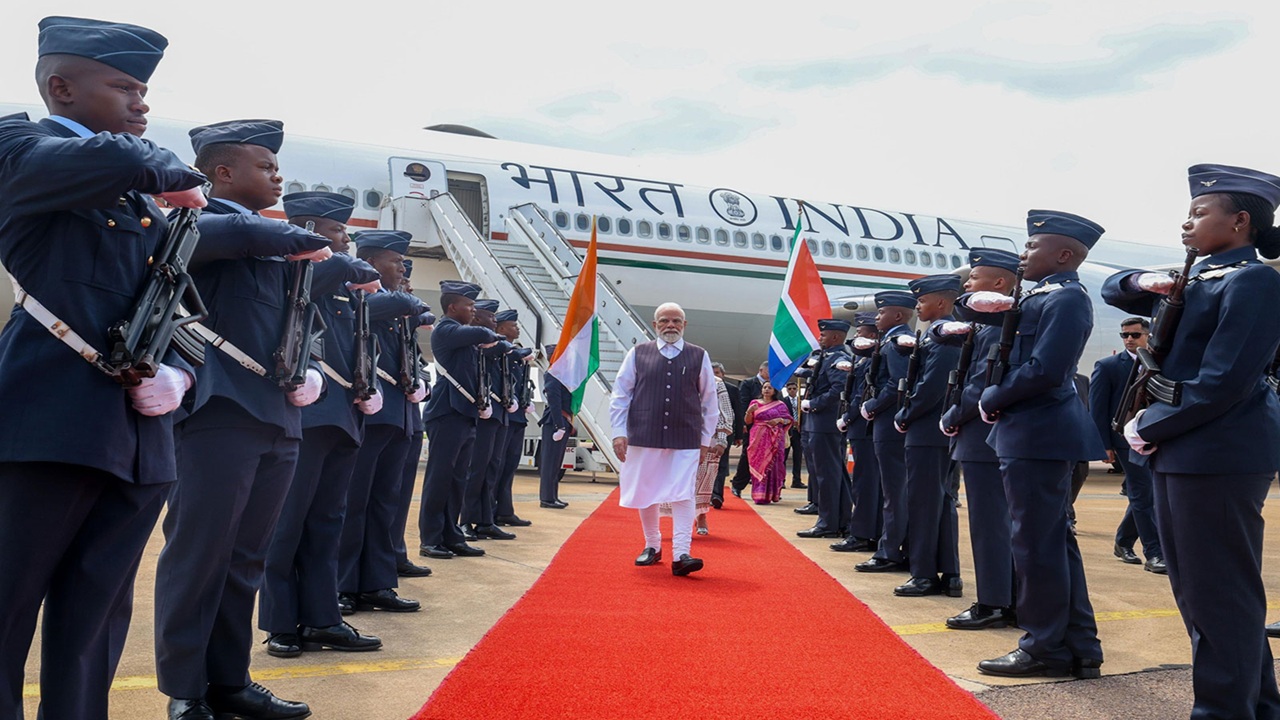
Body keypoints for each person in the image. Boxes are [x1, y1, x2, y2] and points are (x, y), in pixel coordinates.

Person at [0, 17, 208, 720]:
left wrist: (178, 371)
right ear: (60, 87)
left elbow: (177, 304)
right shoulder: (20, 146)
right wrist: (170, 169)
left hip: (137, 438)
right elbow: (118, 159)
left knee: (95, 624)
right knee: (5, 608)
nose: (142, 103)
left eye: (145, 91)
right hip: (48, 421)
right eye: (125, 86)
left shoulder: (138, 197)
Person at [155, 118, 332, 720]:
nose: (279, 175)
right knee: (199, 553)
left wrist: (308, 367)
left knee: (246, 557)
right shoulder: (199, 224)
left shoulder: (278, 244)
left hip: (279, 418)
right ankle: (186, 689)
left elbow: (307, 321)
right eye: (267, 165)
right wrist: (286, 237)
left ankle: (229, 681)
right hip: (218, 413)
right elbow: (208, 237)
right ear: (222, 172)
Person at [1103, 164, 1280, 719]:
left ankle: (1225, 710)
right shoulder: (1197, 278)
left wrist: (1148, 424)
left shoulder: (1253, 280)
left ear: (1241, 221)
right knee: (1204, 591)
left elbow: (1224, 381)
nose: (1187, 223)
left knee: (1218, 592)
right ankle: (1257, 705)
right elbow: (1113, 288)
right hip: (1188, 448)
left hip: (1219, 449)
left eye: (1201, 213)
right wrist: (1141, 283)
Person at [957, 209, 1105, 680]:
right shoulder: (1038, 295)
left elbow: (1046, 369)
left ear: (1064, 255)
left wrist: (990, 397)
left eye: (1032, 248)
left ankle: (1044, 646)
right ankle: (1079, 645)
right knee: (1052, 542)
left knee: (1036, 545)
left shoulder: (1067, 299)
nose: (1022, 255)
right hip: (1030, 429)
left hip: (1039, 430)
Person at [259, 192, 386, 659]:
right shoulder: (296, 267)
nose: (346, 239)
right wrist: (348, 264)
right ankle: (280, 622)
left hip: (343, 419)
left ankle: (321, 616)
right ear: (311, 229)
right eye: (337, 231)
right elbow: (312, 282)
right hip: (309, 418)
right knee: (286, 525)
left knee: (327, 524)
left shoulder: (339, 288)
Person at [336, 231, 429, 615]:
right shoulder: (359, 299)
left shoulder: (392, 309)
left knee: (383, 505)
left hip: (398, 418)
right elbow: (412, 305)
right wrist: (406, 301)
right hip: (370, 417)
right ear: (372, 264)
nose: (403, 269)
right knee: (352, 505)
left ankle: (376, 582)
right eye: (396, 262)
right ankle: (343, 584)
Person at [936, 249, 1021, 629]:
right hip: (981, 435)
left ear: (999, 283)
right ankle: (1007, 596)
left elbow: (981, 385)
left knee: (990, 525)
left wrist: (954, 416)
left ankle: (994, 602)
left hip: (982, 435)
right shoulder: (986, 327)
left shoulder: (998, 327)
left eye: (974, 278)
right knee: (995, 523)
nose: (967, 285)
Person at [610, 303, 721, 576]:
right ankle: (652, 545)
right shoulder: (637, 354)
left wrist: (706, 438)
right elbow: (621, 395)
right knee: (646, 491)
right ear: (654, 323)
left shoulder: (699, 355)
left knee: (684, 492)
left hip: (686, 436)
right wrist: (618, 432)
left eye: (676, 321)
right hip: (644, 434)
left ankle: (682, 552)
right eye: (664, 321)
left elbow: (709, 400)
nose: (670, 325)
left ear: (684, 325)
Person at [418, 281, 505, 559]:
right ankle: (430, 538)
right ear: (453, 307)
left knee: (456, 480)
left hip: (463, 414)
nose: (473, 311)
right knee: (439, 479)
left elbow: (494, 345)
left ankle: (451, 535)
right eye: (469, 306)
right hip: (446, 413)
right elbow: (482, 331)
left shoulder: (463, 335)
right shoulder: (447, 330)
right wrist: (488, 333)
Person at [892, 275, 964, 598]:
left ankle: (923, 574)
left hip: (925, 431)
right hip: (936, 432)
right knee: (942, 502)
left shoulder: (942, 338)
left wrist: (905, 415)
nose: (917, 306)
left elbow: (933, 387)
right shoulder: (938, 335)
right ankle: (949, 573)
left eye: (922, 300)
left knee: (923, 503)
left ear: (941, 303)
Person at [1088, 317, 1165, 573]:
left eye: (1134, 334)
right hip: (1124, 441)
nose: (1129, 339)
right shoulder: (1108, 366)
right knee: (1144, 494)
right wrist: (1104, 445)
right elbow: (1097, 409)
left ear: (1148, 336)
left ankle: (1123, 541)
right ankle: (1155, 553)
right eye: (1124, 335)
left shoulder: (1160, 364)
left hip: (1155, 436)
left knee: (1146, 493)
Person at [854, 291, 917, 573]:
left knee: (894, 492)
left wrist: (872, 406)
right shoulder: (890, 342)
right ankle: (888, 545)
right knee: (891, 491)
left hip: (889, 423)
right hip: (886, 422)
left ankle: (890, 551)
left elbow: (899, 383)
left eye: (882, 312)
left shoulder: (895, 344)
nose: (877, 317)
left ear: (899, 316)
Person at [796, 320, 853, 538]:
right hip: (818, 423)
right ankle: (838, 521)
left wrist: (816, 403)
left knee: (828, 475)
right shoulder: (825, 357)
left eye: (823, 335)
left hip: (826, 423)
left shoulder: (839, 359)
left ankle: (829, 523)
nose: (819, 339)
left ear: (836, 338)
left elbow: (839, 389)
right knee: (828, 474)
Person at [832, 313, 882, 553]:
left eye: (860, 333)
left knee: (865, 483)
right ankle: (866, 531)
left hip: (864, 427)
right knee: (865, 482)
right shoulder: (862, 360)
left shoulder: (872, 359)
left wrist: (849, 417)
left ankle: (862, 533)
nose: (855, 337)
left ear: (872, 335)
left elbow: (863, 395)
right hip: (860, 427)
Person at [663, 360, 731, 532]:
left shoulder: (717, 383)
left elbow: (724, 412)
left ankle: (701, 517)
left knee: (702, 481)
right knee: (680, 481)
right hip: (680, 438)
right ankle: (681, 522)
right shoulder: (677, 379)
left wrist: (722, 439)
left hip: (709, 440)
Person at [493, 310, 537, 527]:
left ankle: (504, 510)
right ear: (501, 329)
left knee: (509, 466)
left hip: (517, 417)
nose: (517, 329)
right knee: (497, 466)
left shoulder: (516, 352)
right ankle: (490, 510)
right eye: (513, 325)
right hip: (504, 416)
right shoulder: (500, 351)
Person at [538, 343, 574, 509]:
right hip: (554, 422)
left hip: (561, 421)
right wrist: (560, 425)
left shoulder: (562, 375)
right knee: (549, 463)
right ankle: (547, 498)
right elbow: (554, 401)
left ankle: (553, 496)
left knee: (556, 463)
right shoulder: (553, 375)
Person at [745, 382, 792, 504]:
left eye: (769, 388)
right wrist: (749, 412)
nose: (766, 389)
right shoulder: (754, 403)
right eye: (764, 387)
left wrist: (779, 420)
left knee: (774, 466)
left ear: (774, 391)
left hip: (775, 439)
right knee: (758, 463)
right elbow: (748, 421)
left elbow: (789, 420)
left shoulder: (780, 405)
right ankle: (759, 495)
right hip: (758, 438)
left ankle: (772, 494)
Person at [730, 362, 769, 497]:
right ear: (761, 370)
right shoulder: (748, 383)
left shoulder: (774, 384)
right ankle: (738, 484)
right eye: (769, 371)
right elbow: (742, 404)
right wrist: (743, 424)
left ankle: (765, 489)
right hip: (752, 426)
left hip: (769, 429)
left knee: (767, 458)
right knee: (748, 455)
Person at [709, 361, 741, 508]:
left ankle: (717, 495)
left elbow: (737, 413)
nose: (714, 376)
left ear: (723, 374)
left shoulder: (732, 389)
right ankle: (703, 494)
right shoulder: (700, 386)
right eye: (711, 372)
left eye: (717, 373)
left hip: (724, 432)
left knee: (721, 465)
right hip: (705, 434)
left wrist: (738, 434)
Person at [784, 383, 807, 489]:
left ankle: (796, 480)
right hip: (787, 432)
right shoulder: (784, 401)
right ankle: (781, 480)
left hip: (798, 432)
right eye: (790, 389)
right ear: (787, 390)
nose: (792, 390)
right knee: (783, 457)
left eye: (794, 388)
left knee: (797, 457)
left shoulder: (801, 401)